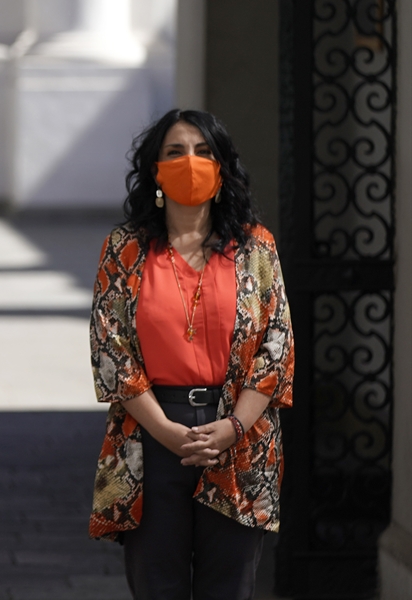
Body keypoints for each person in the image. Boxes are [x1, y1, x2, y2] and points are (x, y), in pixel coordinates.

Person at [88, 109, 295, 599]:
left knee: (231, 587)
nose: (191, 162)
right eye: (175, 152)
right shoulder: (126, 249)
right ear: (155, 171)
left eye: (204, 152)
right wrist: (168, 434)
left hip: (240, 435)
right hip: (151, 434)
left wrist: (233, 426)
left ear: (222, 168)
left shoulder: (255, 249)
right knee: (156, 585)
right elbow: (109, 347)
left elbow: (277, 344)